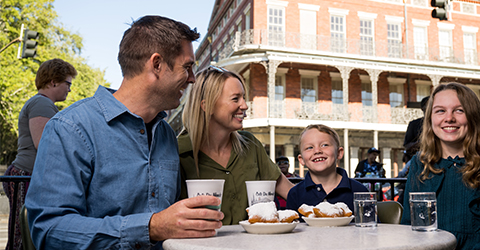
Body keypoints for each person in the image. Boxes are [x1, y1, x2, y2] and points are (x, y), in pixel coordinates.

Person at [25, 16, 224, 249]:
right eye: (188, 67)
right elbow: (49, 230)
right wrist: (151, 227)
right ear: (157, 64)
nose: (192, 79)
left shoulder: (166, 134)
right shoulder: (70, 128)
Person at [400, 82, 480, 249]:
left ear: (473, 116)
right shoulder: (419, 163)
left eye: (459, 110)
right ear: (430, 118)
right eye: (440, 111)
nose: (449, 118)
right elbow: (409, 229)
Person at [178, 65, 294, 225]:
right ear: (207, 106)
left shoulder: (251, 145)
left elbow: (289, 191)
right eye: (235, 99)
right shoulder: (177, 152)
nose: (245, 105)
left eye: (243, 98)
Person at [2, 58, 76, 250]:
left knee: (23, 231)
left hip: (26, 175)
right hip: (25, 175)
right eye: (67, 83)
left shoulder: (43, 104)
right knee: (22, 234)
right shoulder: (42, 104)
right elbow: (44, 144)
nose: (69, 89)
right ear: (53, 82)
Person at [286, 124, 368, 215]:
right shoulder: (295, 194)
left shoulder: (360, 191)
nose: (317, 151)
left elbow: (371, 226)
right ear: (301, 160)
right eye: (309, 147)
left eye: (324, 145)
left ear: (339, 153)